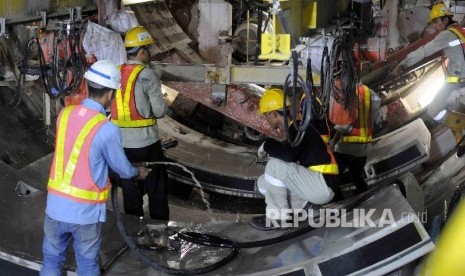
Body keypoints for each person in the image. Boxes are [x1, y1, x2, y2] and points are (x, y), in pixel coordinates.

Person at [40, 60, 150, 275]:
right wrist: (139, 172)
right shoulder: (107, 129)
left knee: (51, 260)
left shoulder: (64, 115)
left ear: (88, 85)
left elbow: (77, 152)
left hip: (54, 207)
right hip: (85, 213)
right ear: (111, 94)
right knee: (88, 265)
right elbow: (124, 170)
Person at [249, 88, 340, 231]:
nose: (265, 120)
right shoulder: (296, 130)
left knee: (274, 166)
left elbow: (287, 156)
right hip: (316, 185)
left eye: (266, 115)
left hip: (323, 184)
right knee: (263, 182)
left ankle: (278, 218)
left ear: (274, 114)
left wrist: (267, 145)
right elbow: (289, 156)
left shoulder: (299, 128)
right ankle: (308, 208)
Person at [110, 26, 170, 220]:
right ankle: (159, 231)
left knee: (130, 186)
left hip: (122, 144)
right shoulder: (148, 75)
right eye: (148, 50)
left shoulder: (115, 72)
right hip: (148, 144)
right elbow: (160, 111)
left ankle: (133, 229)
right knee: (156, 189)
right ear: (142, 51)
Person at [393, 2, 465, 122]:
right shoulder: (461, 30)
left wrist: (404, 64)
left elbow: (424, 51)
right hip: (460, 81)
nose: (434, 26)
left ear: (446, 20)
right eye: (433, 23)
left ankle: (460, 124)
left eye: (436, 22)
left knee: (433, 112)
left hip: (459, 83)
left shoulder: (446, 35)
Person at [327, 71, 380, 196]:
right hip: (364, 148)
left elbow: (343, 126)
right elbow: (373, 117)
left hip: (347, 147)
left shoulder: (348, 95)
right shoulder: (370, 93)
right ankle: (367, 199)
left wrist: (332, 143)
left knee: (333, 178)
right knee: (356, 177)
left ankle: (339, 204)